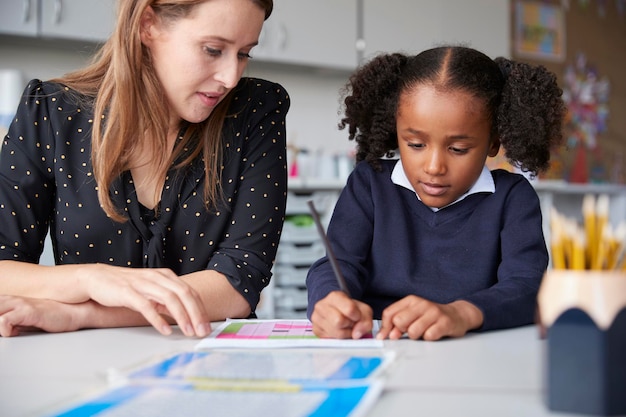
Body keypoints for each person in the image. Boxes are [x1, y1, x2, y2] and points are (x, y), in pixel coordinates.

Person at [0, 0, 289, 338]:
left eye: (244, 54)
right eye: (213, 50)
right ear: (147, 25)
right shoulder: (50, 112)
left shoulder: (255, 111)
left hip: (210, 358)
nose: (230, 77)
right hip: (81, 361)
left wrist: (81, 313)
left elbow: (237, 283)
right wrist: (90, 279)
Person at [306, 45, 565, 341]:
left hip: (473, 355)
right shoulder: (369, 184)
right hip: (378, 347)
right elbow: (338, 264)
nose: (434, 167)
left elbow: (527, 286)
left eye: (458, 149)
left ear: (493, 143)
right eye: (416, 144)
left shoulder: (512, 198)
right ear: (396, 131)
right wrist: (329, 301)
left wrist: (461, 314)